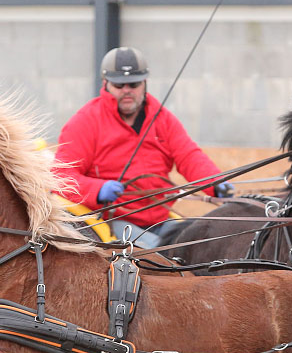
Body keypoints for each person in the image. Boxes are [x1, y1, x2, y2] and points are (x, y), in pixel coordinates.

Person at [53, 46, 233, 247]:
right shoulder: (85, 122)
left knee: (200, 247)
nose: (127, 90)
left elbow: (189, 156)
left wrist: (215, 183)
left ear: (144, 83)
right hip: (114, 221)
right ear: (105, 84)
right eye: (119, 85)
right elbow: (61, 178)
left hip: (160, 218)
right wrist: (98, 189)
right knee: (162, 258)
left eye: (134, 84)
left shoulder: (162, 118)